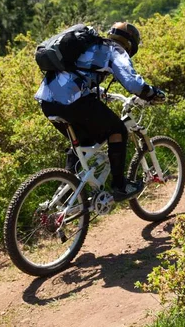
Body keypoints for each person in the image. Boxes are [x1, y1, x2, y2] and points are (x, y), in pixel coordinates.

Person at [34, 22, 164, 202]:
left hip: (47, 103)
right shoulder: (115, 51)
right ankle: (120, 186)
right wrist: (151, 92)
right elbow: (133, 84)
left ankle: (68, 189)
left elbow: (76, 74)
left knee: (85, 144)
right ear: (130, 44)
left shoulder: (90, 46)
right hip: (73, 103)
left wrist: (102, 93)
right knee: (117, 130)